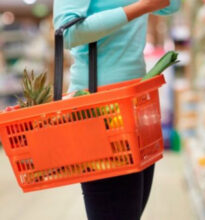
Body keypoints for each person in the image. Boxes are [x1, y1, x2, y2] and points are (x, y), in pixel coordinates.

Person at [53, 1, 180, 219]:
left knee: (129, 210)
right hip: (101, 107)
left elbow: (169, 5)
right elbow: (68, 33)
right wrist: (141, 7)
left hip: (136, 102)